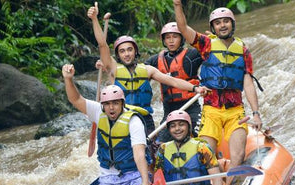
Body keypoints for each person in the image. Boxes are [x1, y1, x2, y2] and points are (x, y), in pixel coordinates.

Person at [173, 1, 262, 185]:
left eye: (226, 21)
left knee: (237, 156)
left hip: (235, 110)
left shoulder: (243, 51)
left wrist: (255, 113)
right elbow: (183, 28)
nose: (222, 25)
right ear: (213, 27)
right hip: (211, 110)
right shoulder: (206, 44)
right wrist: (177, 5)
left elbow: (248, 83)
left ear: (232, 24)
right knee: (208, 155)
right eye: (218, 22)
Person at [87, 2, 210, 136]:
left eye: (130, 50)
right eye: (122, 51)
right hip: (124, 118)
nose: (127, 54)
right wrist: (94, 19)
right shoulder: (114, 68)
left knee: (156, 150)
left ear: (135, 52)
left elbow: (173, 81)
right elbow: (102, 44)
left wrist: (195, 88)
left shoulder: (148, 69)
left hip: (147, 118)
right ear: (118, 55)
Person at [62, 63, 154, 185]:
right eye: (107, 104)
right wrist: (68, 80)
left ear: (122, 104)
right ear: (103, 105)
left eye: (115, 103)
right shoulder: (98, 112)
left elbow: (139, 153)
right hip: (109, 177)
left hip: (133, 174)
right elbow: (75, 99)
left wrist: (145, 182)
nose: (111, 108)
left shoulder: (133, 121)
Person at [145, 22, 203, 141]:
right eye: (167, 37)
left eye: (175, 37)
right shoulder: (155, 60)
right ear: (164, 41)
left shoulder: (192, 55)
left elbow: (210, 54)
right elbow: (136, 70)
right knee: (158, 144)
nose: (171, 41)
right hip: (169, 110)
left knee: (200, 138)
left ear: (181, 38)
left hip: (191, 106)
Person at [154, 110, 223, 185]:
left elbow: (216, 177)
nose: (177, 128)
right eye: (173, 126)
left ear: (189, 127)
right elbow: (157, 180)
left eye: (181, 124)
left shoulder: (202, 147)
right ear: (169, 129)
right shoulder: (163, 149)